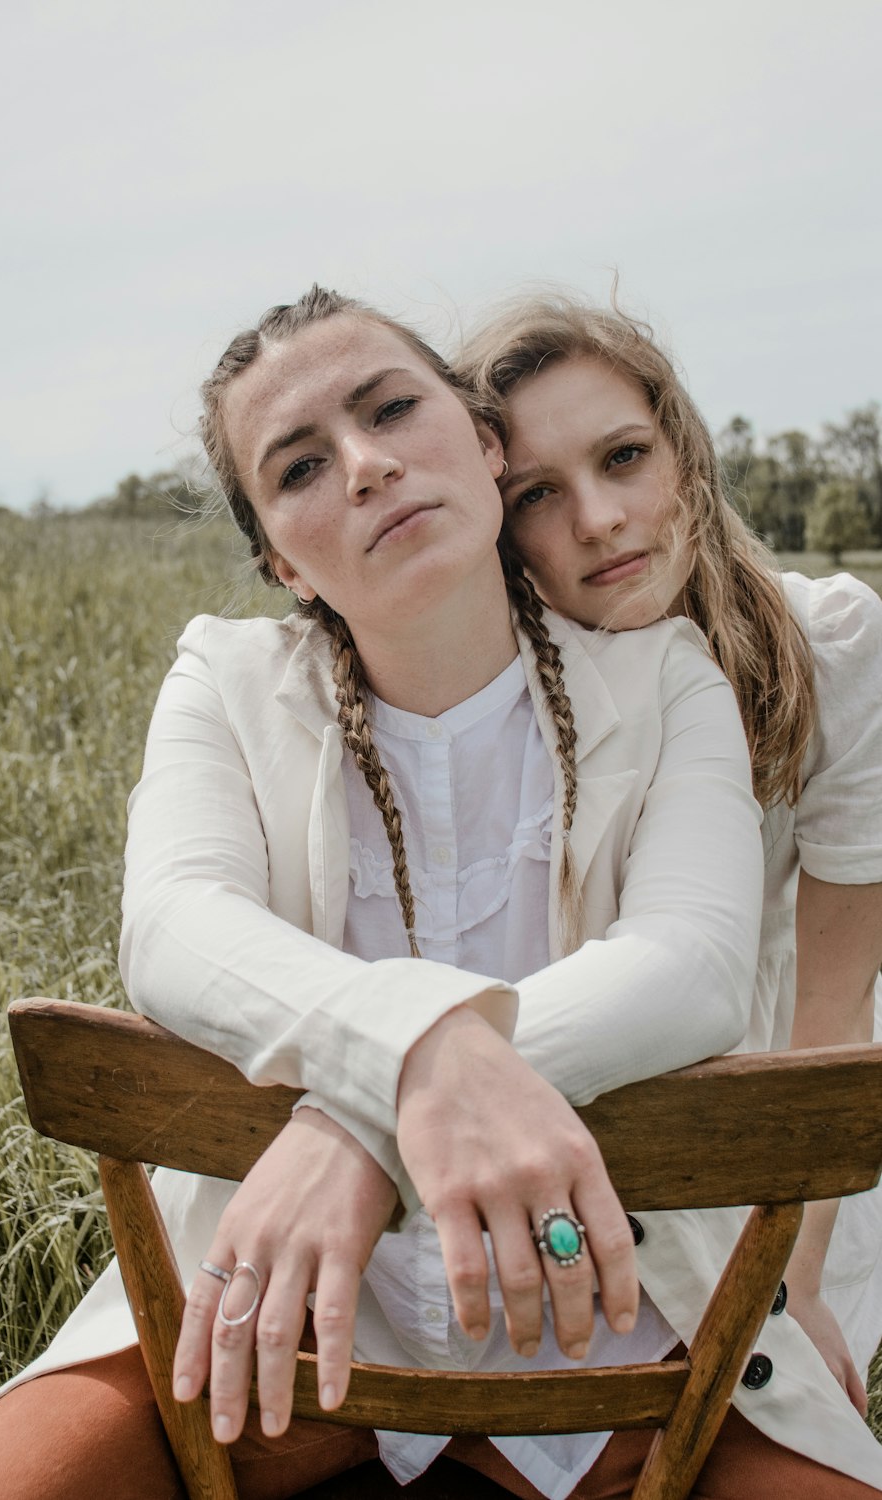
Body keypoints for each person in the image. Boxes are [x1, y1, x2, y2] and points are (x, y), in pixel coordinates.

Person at [0, 288, 879, 1500]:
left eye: (389, 411)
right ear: (278, 556)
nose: (366, 469)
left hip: (629, 1314)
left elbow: (691, 966)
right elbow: (170, 927)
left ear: (480, 445)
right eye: (301, 465)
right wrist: (423, 1063)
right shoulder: (224, 679)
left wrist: (361, 1114)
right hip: (277, 1317)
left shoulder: (668, 677)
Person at [458, 290, 882, 1421]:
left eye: (623, 456)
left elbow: (830, 1026)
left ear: (683, 455)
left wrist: (788, 1283)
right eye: (535, 496)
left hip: (775, 1110)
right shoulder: (496, 693)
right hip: (559, 1084)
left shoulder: (832, 646)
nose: (597, 518)